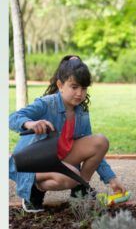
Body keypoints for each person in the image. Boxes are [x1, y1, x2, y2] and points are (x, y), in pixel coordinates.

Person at [9, 55, 126, 213]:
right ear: (60, 85)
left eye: (83, 88)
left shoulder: (81, 112)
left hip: (60, 158)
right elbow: (12, 118)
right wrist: (30, 123)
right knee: (71, 176)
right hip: (33, 163)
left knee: (100, 141)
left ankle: (80, 191)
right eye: (74, 87)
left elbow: (92, 149)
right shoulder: (46, 104)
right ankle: (33, 191)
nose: (79, 93)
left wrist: (111, 179)